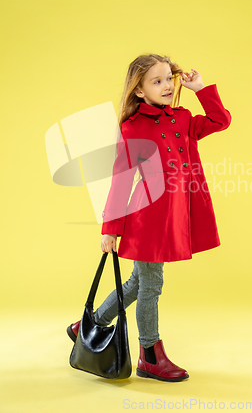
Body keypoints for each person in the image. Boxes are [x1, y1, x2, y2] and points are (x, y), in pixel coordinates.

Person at [67, 53, 232, 382]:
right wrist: (111, 230)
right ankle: (150, 355)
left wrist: (200, 89)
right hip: (146, 219)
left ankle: (89, 323)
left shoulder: (183, 119)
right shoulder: (132, 128)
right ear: (140, 91)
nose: (167, 85)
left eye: (169, 78)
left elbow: (220, 120)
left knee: (138, 282)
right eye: (157, 81)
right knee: (151, 285)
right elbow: (121, 180)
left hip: (174, 217)